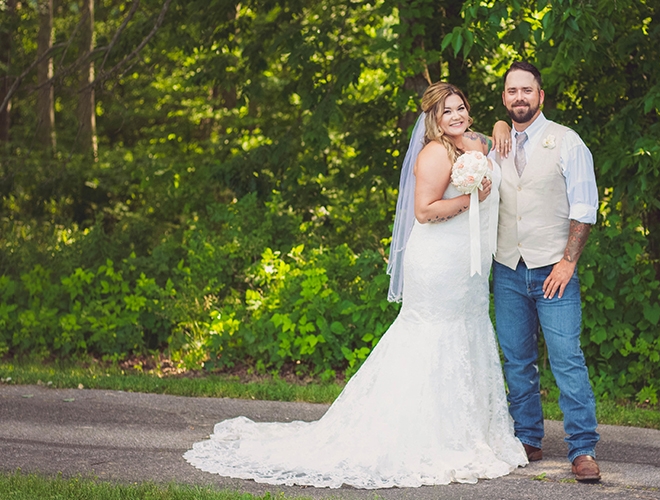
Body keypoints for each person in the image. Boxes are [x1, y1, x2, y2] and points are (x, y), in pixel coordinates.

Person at [184, 82, 528, 489]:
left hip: (468, 266)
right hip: (438, 264)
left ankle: (470, 431)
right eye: (446, 112)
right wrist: (469, 199)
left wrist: (502, 123)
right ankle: (423, 435)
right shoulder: (436, 153)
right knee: (434, 337)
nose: (456, 116)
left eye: (460, 108)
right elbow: (423, 210)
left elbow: (495, 134)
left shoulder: (476, 141)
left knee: (467, 331)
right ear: (433, 120)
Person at [490, 61, 602, 482]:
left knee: (566, 359)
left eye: (527, 90)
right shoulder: (494, 145)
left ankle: (582, 449)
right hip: (507, 269)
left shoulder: (568, 142)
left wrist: (568, 261)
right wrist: (499, 127)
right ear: (504, 98)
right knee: (518, 360)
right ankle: (527, 439)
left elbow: (584, 206)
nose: (519, 97)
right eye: (511, 91)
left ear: (540, 96)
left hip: (553, 270)